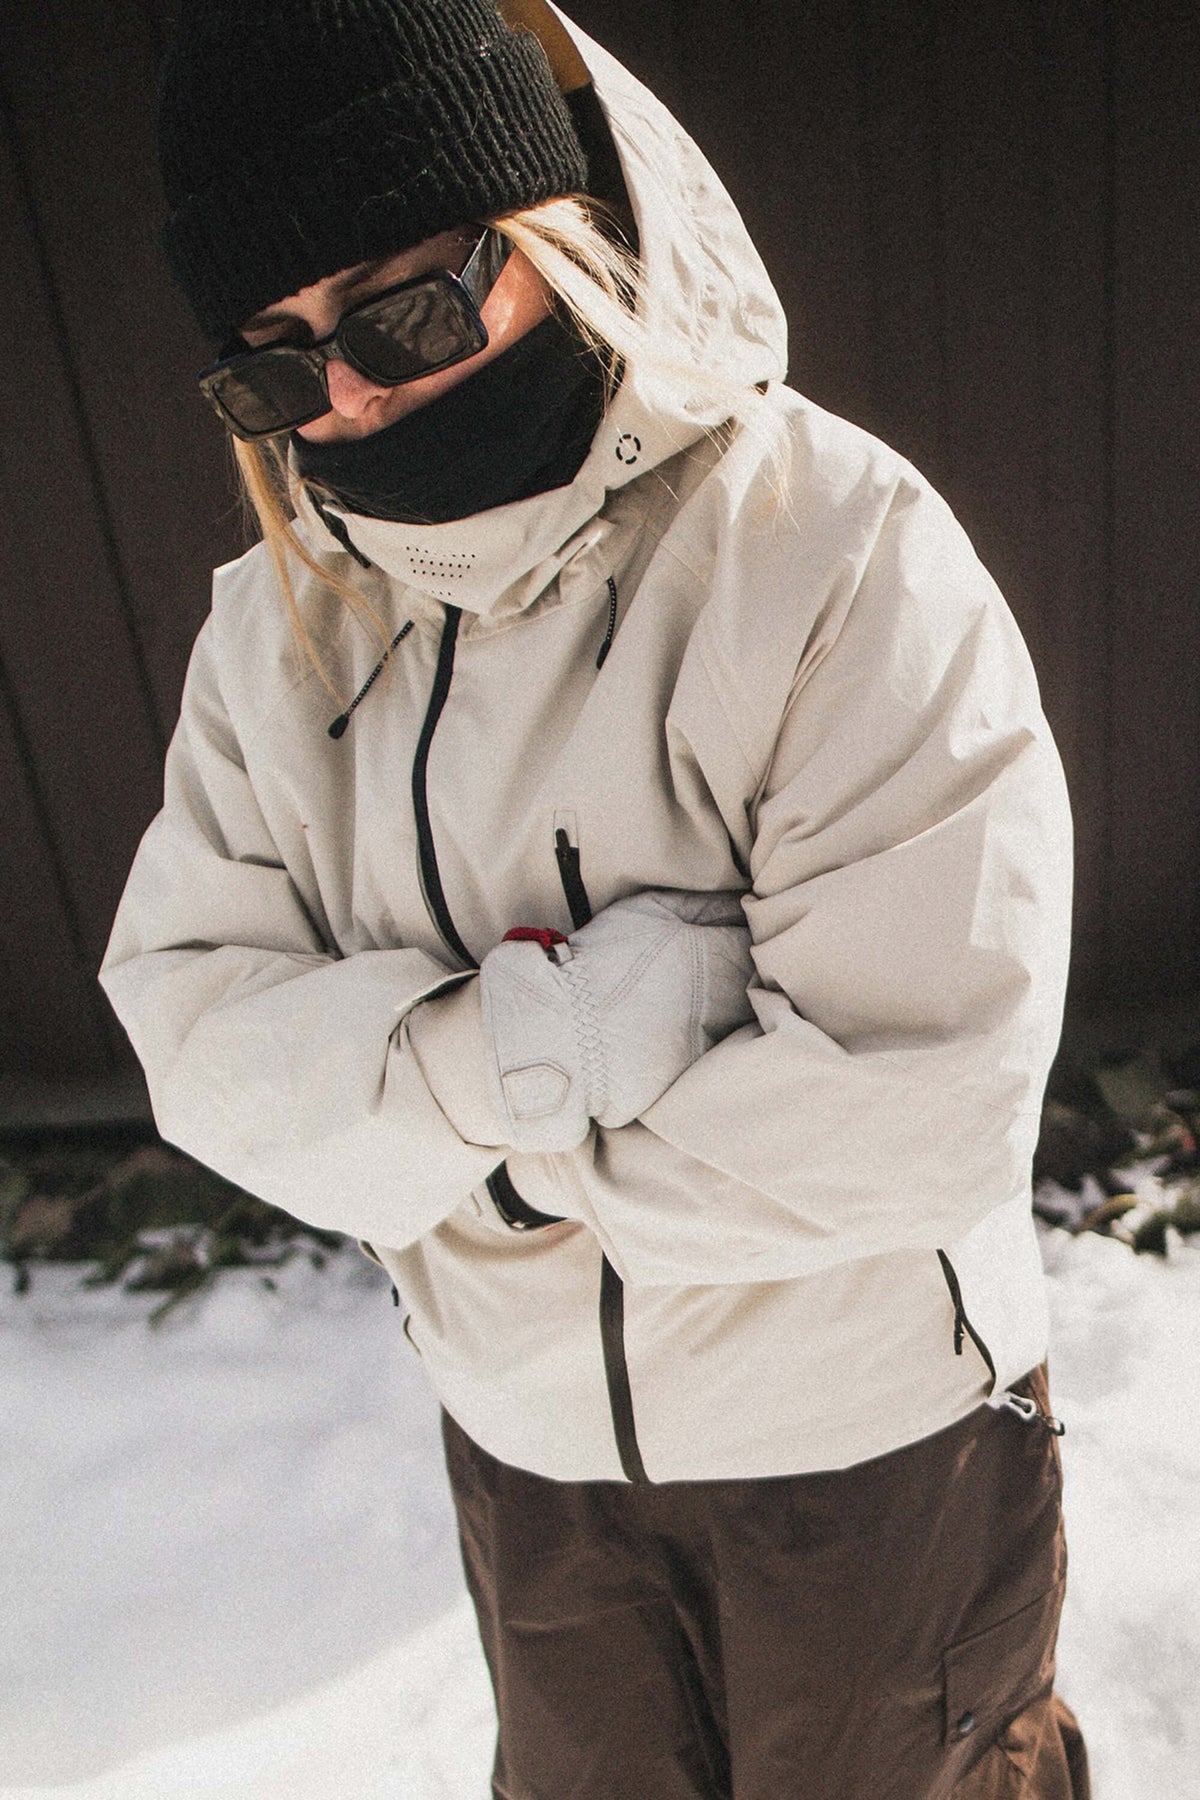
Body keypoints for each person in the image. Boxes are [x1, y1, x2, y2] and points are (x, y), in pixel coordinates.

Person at [100, 2, 1090, 1794]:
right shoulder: (276, 633)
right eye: (274, 368)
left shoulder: (828, 546)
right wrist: (545, 1050)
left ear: (553, 240)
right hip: (530, 1463)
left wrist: (437, 1151)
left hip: (872, 1452)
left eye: (402, 311)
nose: (351, 401)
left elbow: (915, 1103)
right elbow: (198, 1040)